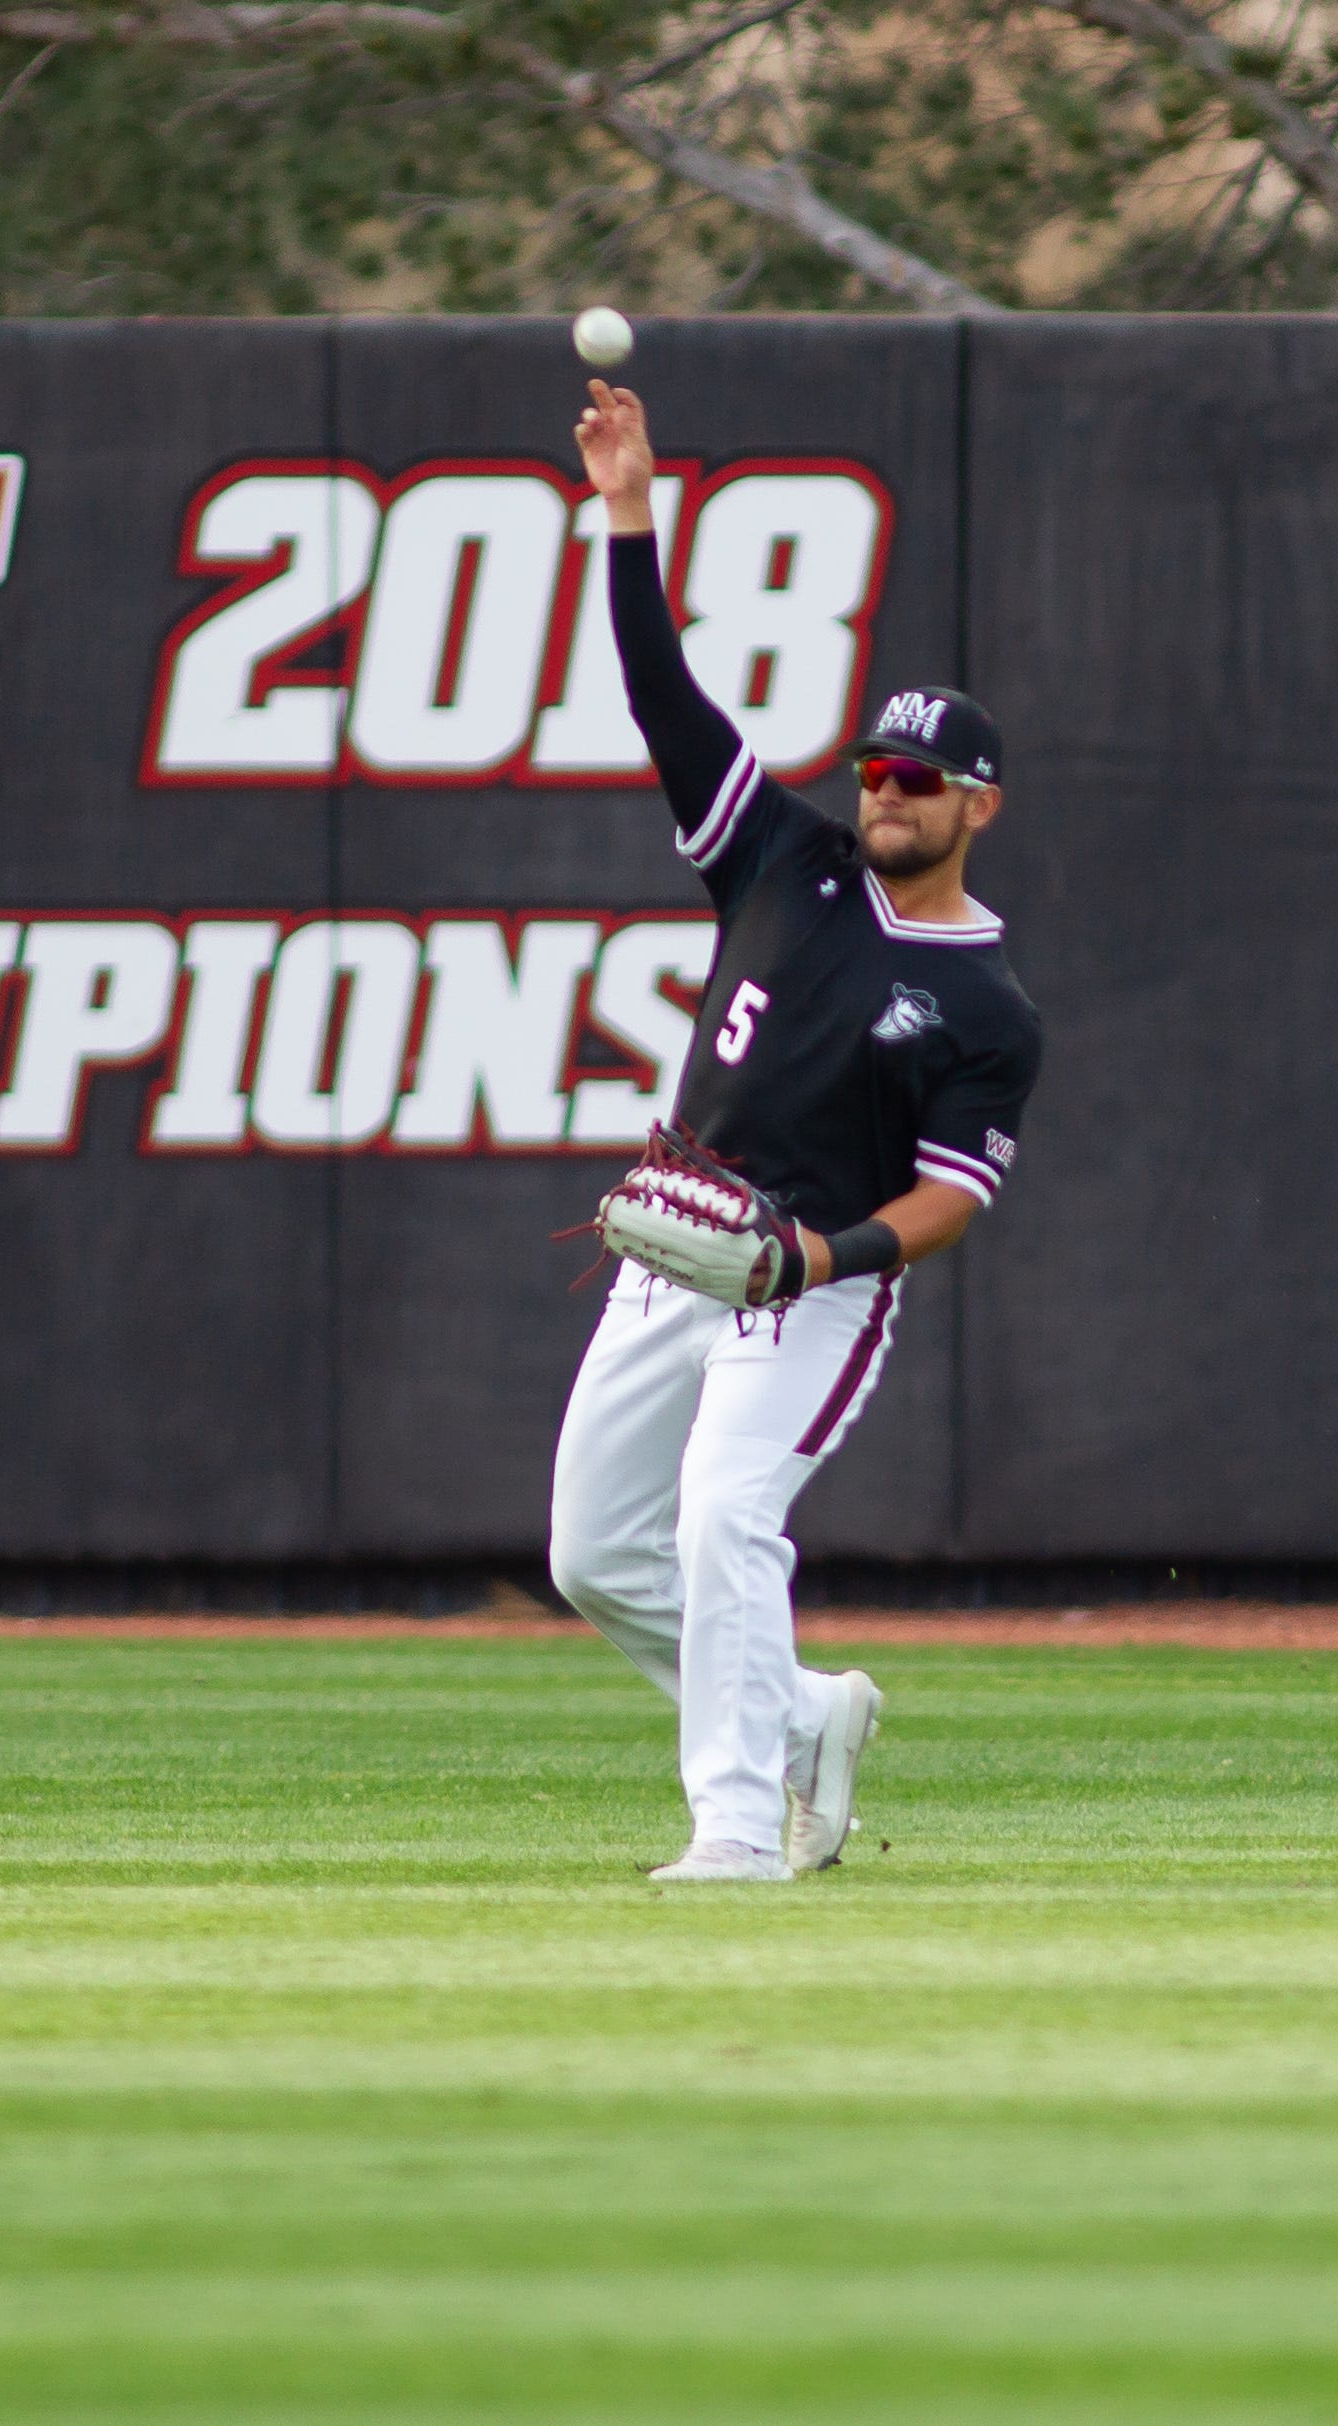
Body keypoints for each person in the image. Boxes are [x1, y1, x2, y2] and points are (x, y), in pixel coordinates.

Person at [550, 379, 1043, 1885]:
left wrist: (820, 1257)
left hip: (814, 1289)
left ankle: (738, 1830)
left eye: (918, 780)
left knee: (723, 1516)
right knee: (593, 1554)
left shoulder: (989, 1008)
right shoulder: (784, 856)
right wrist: (629, 512)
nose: (884, 792)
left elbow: (952, 1199)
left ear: (978, 808)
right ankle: (806, 1715)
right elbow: (663, 695)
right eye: (875, 769)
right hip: (682, 1250)